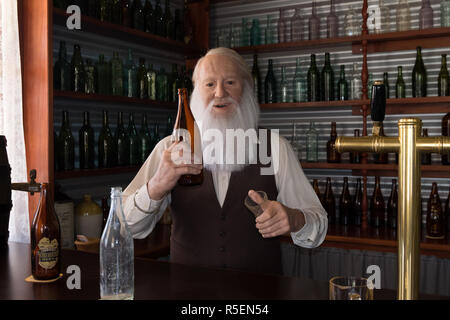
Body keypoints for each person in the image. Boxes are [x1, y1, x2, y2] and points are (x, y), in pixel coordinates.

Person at [123, 47, 327, 275]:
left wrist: (295, 218)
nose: (220, 93)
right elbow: (126, 226)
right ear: (196, 93)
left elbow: (318, 227)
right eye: (209, 84)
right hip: (188, 297)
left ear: (247, 90)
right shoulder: (170, 149)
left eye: (230, 82)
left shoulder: (275, 148)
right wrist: (157, 186)